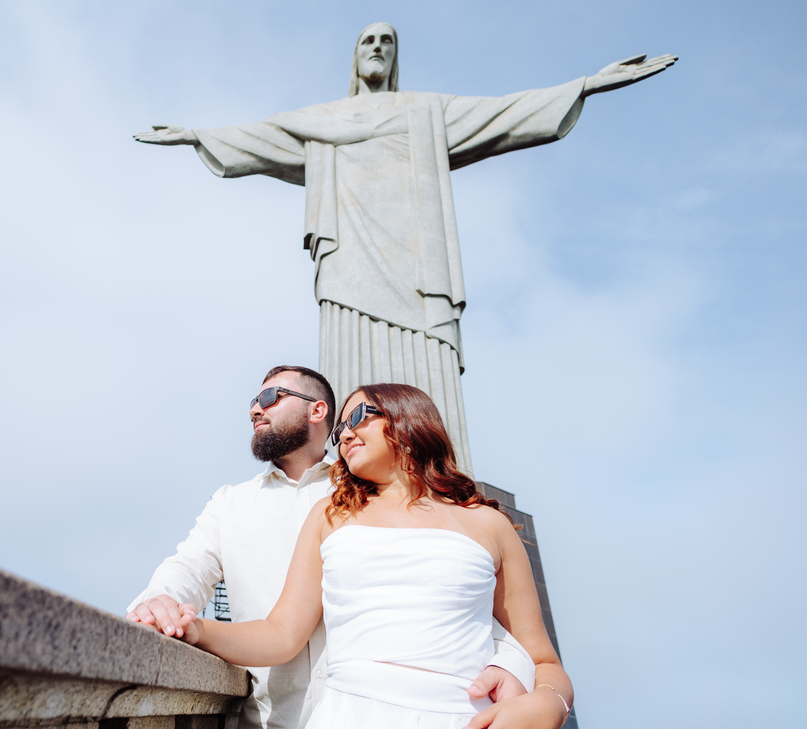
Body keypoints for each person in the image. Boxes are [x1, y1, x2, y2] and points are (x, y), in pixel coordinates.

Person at [134, 22, 677, 474]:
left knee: (427, 364)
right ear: (355, 58)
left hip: (417, 264)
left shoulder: (425, 112)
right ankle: (356, 478)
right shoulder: (322, 120)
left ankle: (438, 474)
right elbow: (261, 137)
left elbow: (504, 114)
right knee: (350, 359)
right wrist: (196, 135)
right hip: (349, 257)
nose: (376, 48)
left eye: (386, 42)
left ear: (395, 58)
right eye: (367, 41)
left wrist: (587, 85)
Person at [127, 367, 557, 729]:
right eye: (253, 402)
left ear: (319, 410)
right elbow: (199, 575)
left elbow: (505, 636)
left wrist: (546, 704)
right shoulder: (260, 506)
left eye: (271, 396)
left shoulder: (462, 519)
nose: (256, 408)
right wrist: (169, 610)